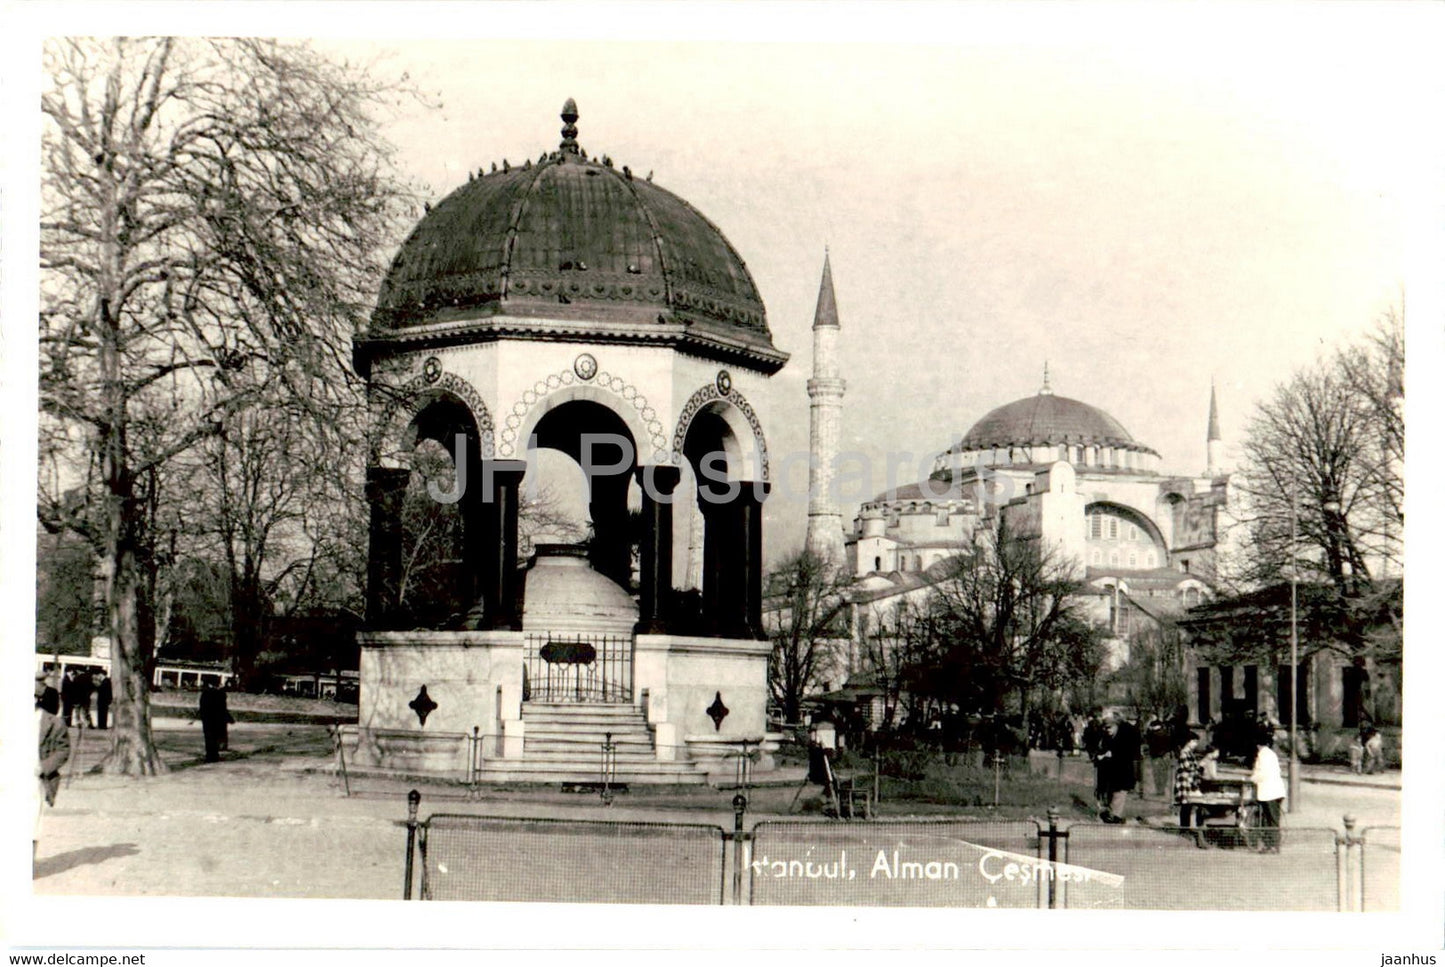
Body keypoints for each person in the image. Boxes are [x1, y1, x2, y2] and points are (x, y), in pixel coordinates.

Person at [35, 671, 71, 864]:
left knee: (30, 826)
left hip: (36, 781)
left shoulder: (52, 723)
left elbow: (63, 749)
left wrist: (44, 767)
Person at [1096, 708, 1142, 823]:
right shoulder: (1108, 737)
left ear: (1116, 725)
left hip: (1123, 772)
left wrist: (1111, 754)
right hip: (1111, 773)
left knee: (1119, 793)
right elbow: (1101, 750)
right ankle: (1112, 815)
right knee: (1112, 794)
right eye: (1105, 728)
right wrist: (1101, 756)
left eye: (1109, 727)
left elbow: (1128, 754)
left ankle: (1114, 816)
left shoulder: (1125, 735)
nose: (1107, 730)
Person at [1249, 732, 1286, 852]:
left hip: (1269, 792)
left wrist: (1251, 779)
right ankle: (1271, 845)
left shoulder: (1262, 755)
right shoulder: (1271, 754)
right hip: (1275, 791)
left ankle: (1273, 846)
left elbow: (1262, 773)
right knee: (1271, 820)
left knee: (1270, 820)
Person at [1173, 732, 1204, 828]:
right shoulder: (1184, 753)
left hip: (1189, 780)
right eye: (1194, 741)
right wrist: (1199, 768)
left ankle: (1187, 826)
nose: (1196, 744)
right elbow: (1188, 767)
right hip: (1185, 781)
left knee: (1189, 804)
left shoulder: (1189, 753)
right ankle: (1184, 827)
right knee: (1186, 805)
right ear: (1188, 742)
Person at [198, 681, 232, 762]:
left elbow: (202, 708)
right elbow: (223, 709)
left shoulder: (205, 693)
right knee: (215, 737)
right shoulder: (220, 694)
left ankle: (210, 755)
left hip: (207, 720)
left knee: (208, 738)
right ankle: (214, 755)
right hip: (217, 720)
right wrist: (228, 718)